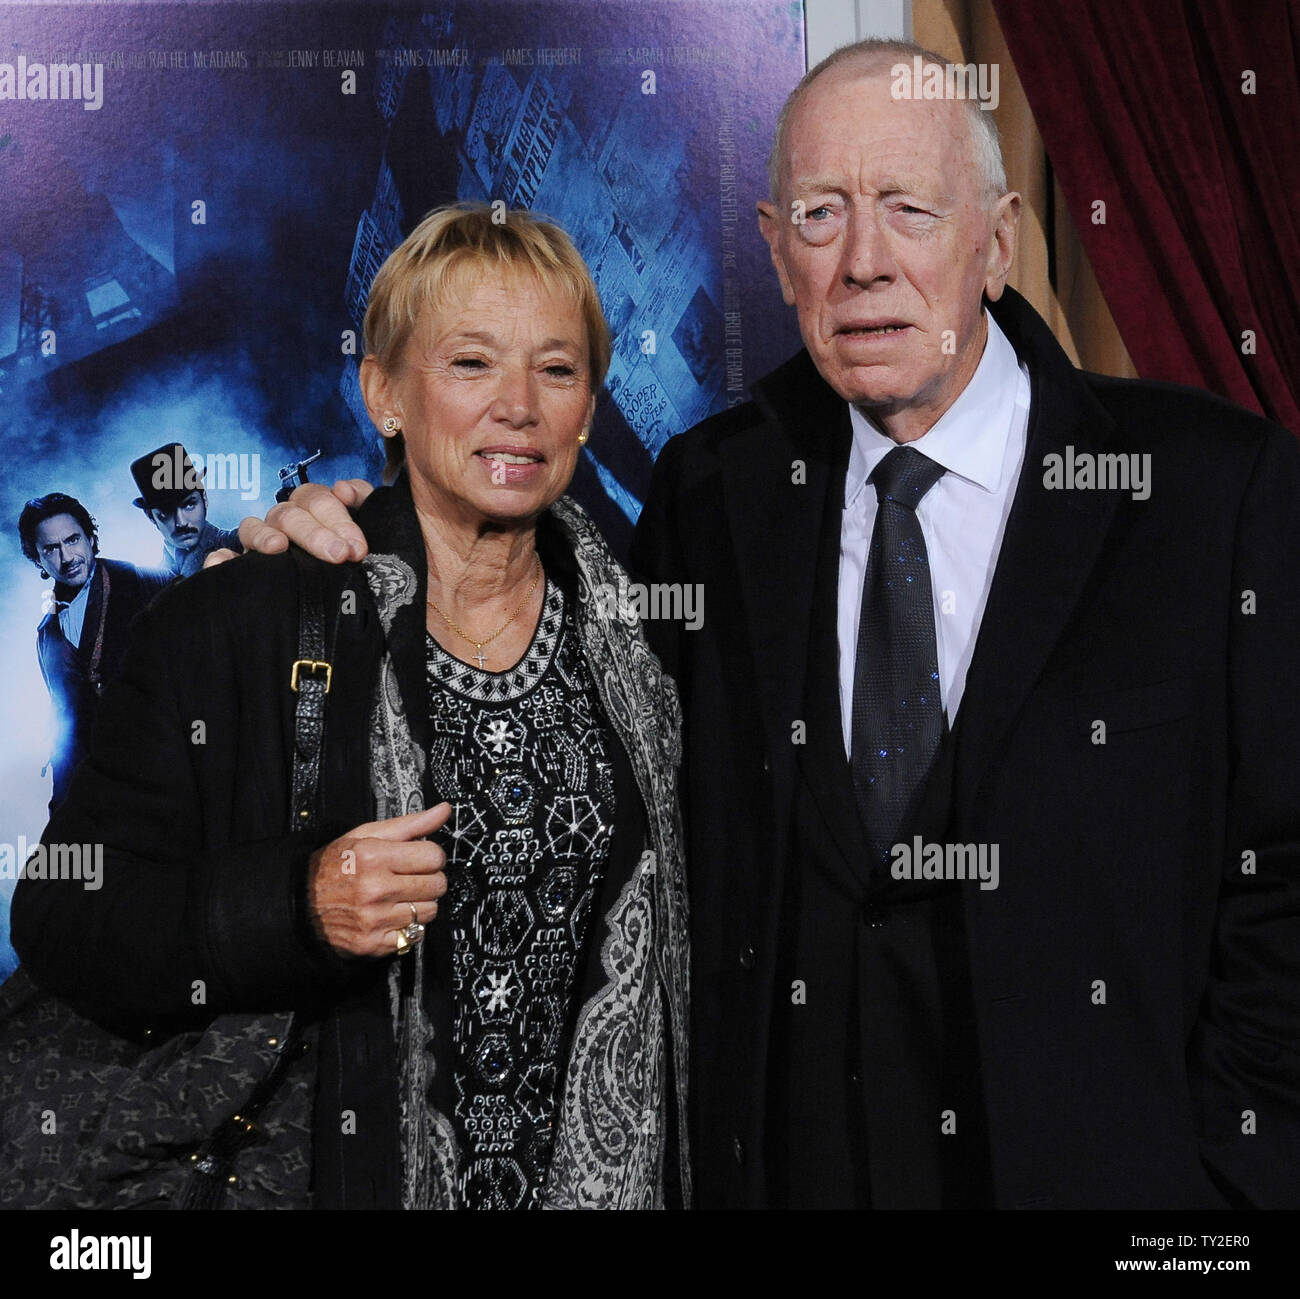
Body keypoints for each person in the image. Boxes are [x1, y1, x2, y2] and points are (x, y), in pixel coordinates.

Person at [250, 38, 1300, 1211]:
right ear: (772, 249)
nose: (862, 264)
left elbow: (1286, 877)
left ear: (996, 241)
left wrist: (1226, 1192)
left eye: (908, 208)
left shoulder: (1212, 489)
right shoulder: (716, 491)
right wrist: (355, 523)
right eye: (819, 215)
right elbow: (531, 641)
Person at [8, 204, 689, 1210]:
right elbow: (64, 913)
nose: (518, 405)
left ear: (588, 405)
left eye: (555, 368)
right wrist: (299, 903)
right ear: (385, 394)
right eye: (469, 364)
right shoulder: (240, 619)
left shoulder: (649, 631)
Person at [17, 493, 169, 812]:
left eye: (72, 540)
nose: (66, 556)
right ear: (37, 559)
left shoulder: (144, 582)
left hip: (165, 775)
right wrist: (61, 810)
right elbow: (67, 725)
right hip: (101, 793)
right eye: (51, 549)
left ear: (90, 538)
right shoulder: (47, 634)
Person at [130, 442, 243, 577]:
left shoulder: (232, 544)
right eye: (166, 512)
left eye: (189, 505)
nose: (181, 522)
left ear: (204, 499)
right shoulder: (158, 574)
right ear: (150, 517)